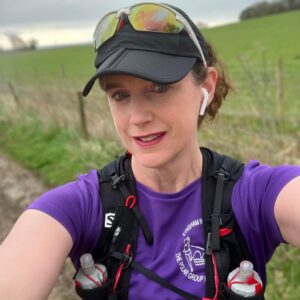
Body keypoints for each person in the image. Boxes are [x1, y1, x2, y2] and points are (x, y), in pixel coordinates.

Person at [0, 2, 299, 300]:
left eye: (158, 88)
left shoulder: (252, 196)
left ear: (206, 86)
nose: (137, 117)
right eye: (120, 95)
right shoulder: (84, 206)